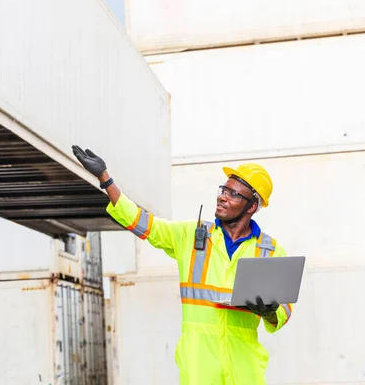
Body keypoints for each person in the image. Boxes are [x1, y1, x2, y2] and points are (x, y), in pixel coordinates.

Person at [72, 145, 293, 385]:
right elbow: (145, 224)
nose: (222, 197)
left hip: (245, 369)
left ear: (251, 206)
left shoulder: (269, 250)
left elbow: (285, 309)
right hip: (199, 366)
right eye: (223, 190)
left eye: (233, 194)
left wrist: (270, 311)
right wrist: (105, 179)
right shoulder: (191, 235)